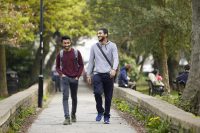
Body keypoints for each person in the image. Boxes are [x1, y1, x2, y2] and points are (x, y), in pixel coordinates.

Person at [87, 28, 119, 124]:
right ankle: (100, 111)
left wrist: (114, 69)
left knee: (108, 97)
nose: (98, 35)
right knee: (97, 92)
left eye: (100, 33)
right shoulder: (94, 47)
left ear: (106, 34)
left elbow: (116, 58)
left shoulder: (113, 46)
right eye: (97, 34)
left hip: (109, 74)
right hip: (97, 74)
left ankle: (107, 116)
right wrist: (89, 74)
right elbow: (91, 61)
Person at [56, 35, 84, 125]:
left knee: (74, 98)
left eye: (68, 43)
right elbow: (57, 67)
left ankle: (73, 114)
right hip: (65, 78)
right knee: (65, 97)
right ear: (62, 43)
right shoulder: (60, 54)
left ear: (70, 42)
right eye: (64, 43)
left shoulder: (76, 52)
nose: (66, 44)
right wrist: (62, 74)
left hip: (74, 78)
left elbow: (81, 65)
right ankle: (67, 118)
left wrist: (78, 76)